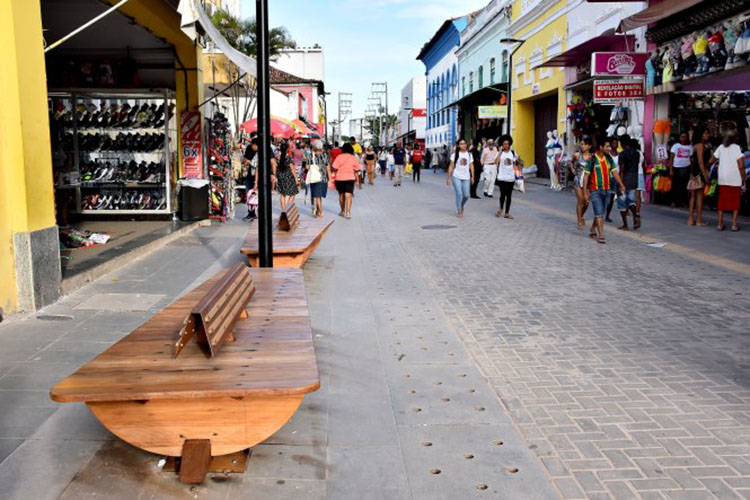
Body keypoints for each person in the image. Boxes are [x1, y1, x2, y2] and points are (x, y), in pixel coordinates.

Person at [583, 139, 625, 244]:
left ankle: (593, 229)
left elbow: (615, 173)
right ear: (601, 147)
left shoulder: (609, 159)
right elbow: (586, 176)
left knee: (601, 212)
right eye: (607, 146)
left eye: (609, 146)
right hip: (595, 190)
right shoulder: (592, 159)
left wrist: (621, 184)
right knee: (599, 212)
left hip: (607, 190)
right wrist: (585, 192)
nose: (609, 148)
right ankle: (601, 234)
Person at [711, 131, 745, 232]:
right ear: (735, 139)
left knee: (722, 201)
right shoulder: (737, 148)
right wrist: (743, 178)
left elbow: (712, 159)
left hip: (723, 178)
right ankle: (734, 225)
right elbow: (741, 165)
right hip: (734, 178)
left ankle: (719, 224)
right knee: (735, 202)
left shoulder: (721, 147)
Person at [688, 127, 711, 226]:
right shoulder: (701, 146)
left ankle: (690, 218)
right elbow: (701, 162)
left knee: (693, 196)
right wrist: (705, 176)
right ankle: (699, 220)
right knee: (699, 196)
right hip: (700, 173)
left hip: (694, 173)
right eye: (705, 133)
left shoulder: (694, 146)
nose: (707, 135)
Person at [616, 135, 640, 230]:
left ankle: (625, 224)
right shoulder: (636, 153)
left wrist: (620, 183)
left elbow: (622, 169)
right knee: (631, 201)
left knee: (622, 202)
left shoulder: (623, 154)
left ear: (622, 143)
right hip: (634, 178)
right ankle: (636, 215)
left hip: (625, 179)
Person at [446, 138, 474, 218]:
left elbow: (471, 166)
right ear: (458, 145)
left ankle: (461, 205)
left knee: (466, 195)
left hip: (466, 177)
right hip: (456, 176)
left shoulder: (469, 154)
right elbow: (451, 166)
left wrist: (473, 176)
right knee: (459, 193)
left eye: (464, 143)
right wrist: (448, 178)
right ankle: (459, 210)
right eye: (461, 144)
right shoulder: (455, 155)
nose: (463, 145)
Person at [331, 142, 361, 218]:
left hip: (339, 178)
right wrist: (357, 181)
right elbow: (356, 170)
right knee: (349, 195)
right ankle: (348, 212)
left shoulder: (339, 157)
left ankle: (342, 211)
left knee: (341, 195)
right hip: (350, 178)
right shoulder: (354, 158)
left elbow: (334, 167)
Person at [306, 139, 331, 218]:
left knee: (317, 195)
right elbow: (328, 168)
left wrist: (310, 166)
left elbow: (307, 167)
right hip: (323, 178)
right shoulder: (325, 156)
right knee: (318, 196)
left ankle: (320, 211)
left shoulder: (310, 156)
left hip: (314, 178)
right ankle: (319, 211)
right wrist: (330, 179)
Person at [571, 137, 592, 229]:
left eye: (584, 144)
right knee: (580, 200)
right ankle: (579, 221)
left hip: (587, 182)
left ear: (589, 146)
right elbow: (571, 162)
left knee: (586, 202)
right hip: (577, 180)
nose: (582, 146)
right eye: (582, 144)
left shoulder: (592, 157)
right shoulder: (577, 155)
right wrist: (572, 169)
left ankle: (581, 215)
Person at [495, 135, 517, 219]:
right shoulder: (500, 153)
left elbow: (516, 163)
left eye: (507, 144)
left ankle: (507, 212)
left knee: (509, 195)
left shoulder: (513, 153)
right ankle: (501, 208)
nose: (506, 145)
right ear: (502, 145)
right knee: (503, 194)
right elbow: (495, 162)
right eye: (504, 144)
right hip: (502, 177)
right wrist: (500, 152)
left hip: (511, 177)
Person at [669, 132, 693, 208]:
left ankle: (684, 202)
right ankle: (674, 201)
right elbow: (671, 158)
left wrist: (691, 171)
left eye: (685, 137)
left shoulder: (690, 147)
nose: (683, 138)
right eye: (682, 137)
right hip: (676, 167)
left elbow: (691, 159)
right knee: (675, 186)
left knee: (684, 186)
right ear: (679, 138)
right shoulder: (675, 146)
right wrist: (671, 169)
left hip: (686, 167)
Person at [275, 141, 300, 212]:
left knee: (283, 194)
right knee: (293, 193)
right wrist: (296, 178)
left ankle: (283, 210)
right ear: (287, 149)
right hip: (289, 177)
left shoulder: (278, 158)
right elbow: (292, 169)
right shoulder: (288, 158)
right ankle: (288, 208)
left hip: (280, 177)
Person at [243, 136, 258, 220]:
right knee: (249, 194)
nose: (251, 146)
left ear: (256, 145)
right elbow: (245, 159)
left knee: (256, 195)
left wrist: (256, 182)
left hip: (257, 178)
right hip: (250, 175)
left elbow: (257, 168)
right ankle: (251, 213)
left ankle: (255, 212)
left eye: (252, 145)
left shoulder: (260, 153)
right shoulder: (249, 149)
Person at [605, 137, 620, 222]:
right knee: (606, 196)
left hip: (616, 177)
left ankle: (607, 215)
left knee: (611, 198)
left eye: (617, 143)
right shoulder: (607, 155)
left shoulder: (619, 155)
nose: (616, 145)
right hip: (608, 177)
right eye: (614, 143)